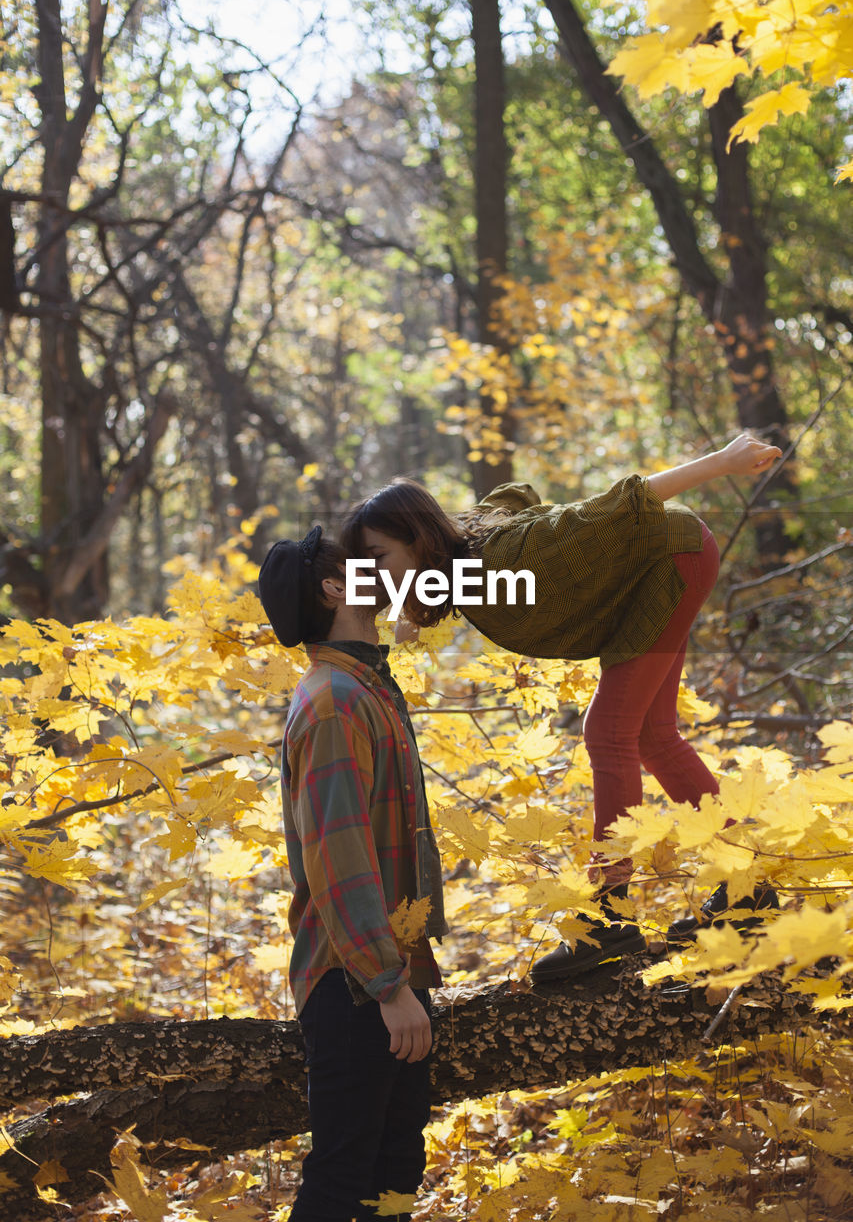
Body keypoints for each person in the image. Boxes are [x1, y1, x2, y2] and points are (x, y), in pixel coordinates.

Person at [339, 434, 782, 981]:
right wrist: (405, 605)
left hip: (673, 558)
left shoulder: (511, 558)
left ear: (420, 539)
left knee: (609, 732)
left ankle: (608, 920)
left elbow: (627, 501)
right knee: (650, 735)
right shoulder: (464, 559)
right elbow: (514, 495)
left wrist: (724, 462)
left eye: (379, 558)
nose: (376, 574)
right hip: (669, 560)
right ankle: (749, 886)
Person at [258, 525, 446, 1220]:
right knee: (342, 1186)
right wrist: (387, 984)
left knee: (393, 1174)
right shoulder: (334, 701)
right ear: (337, 588)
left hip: (386, 972)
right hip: (354, 983)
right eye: (361, 564)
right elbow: (337, 858)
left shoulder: (364, 684)